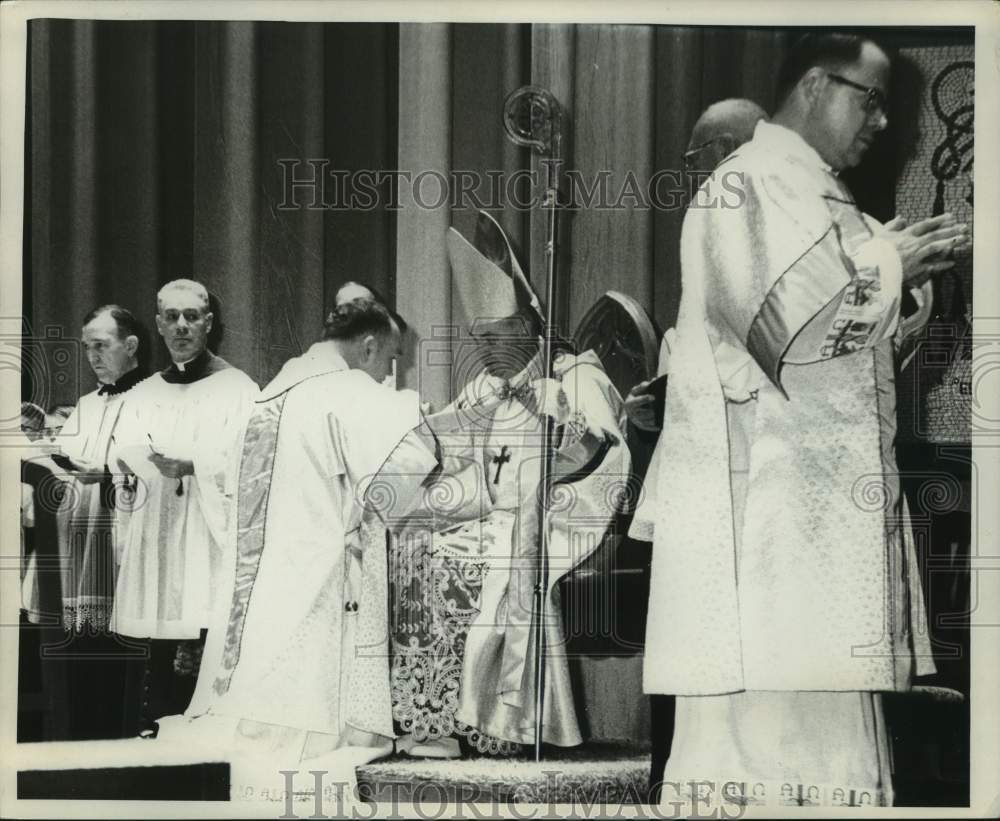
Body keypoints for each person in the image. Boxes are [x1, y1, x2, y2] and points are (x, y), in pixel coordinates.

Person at [642, 33, 970, 810]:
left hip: (823, 517)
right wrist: (887, 267)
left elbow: (847, 355)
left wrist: (900, 285)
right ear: (818, 86)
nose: (883, 122)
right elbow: (774, 329)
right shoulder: (746, 181)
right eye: (872, 98)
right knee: (773, 735)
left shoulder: (814, 186)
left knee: (824, 725)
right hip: (772, 518)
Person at [383, 216, 631, 758]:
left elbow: (607, 459)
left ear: (528, 330)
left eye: (498, 338)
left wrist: (564, 435)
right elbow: (446, 445)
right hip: (491, 515)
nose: (489, 351)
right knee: (411, 544)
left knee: (473, 567)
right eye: (480, 339)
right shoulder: (486, 385)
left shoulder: (576, 379)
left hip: (553, 521)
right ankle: (431, 719)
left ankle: (491, 726)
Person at [178, 297, 428, 766]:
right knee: (306, 706)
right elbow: (399, 474)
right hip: (316, 553)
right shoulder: (347, 389)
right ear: (370, 347)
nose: (388, 374)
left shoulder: (272, 389)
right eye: (392, 359)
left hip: (264, 558)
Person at [108, 279, 258, 737]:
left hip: (206, 528)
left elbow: (254, 460)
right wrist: (127, 464)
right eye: (171, 317)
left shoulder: (237, 388)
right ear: (157, 323)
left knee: (203, 614)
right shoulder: (145, 391)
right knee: (162, 614)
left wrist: (194, 464)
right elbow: (124, 452)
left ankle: (199, 728)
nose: (181, 326)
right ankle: (154, 721)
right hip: (158, 524)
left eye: (192, 316)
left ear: (209, 323)